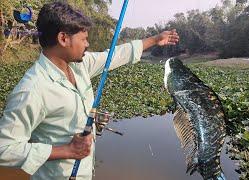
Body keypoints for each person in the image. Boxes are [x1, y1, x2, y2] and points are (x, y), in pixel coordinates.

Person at [0, 1, 179, 180]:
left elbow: (114, 56)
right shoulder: (32, 89)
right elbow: (4, 149)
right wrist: (66, 150)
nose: (87, 44)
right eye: (84, 39)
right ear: (63, 39)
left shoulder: (79, 66)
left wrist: (155, 40)